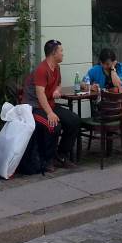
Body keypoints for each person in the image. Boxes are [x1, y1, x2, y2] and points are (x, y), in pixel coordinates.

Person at [23, 39, 80, 169]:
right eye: (61, 51)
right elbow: (40, 94)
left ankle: (61, 155)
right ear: (54, 53)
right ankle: (48, 160)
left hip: (49, 104)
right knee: (54, 125)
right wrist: (50, 113)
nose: (63, 53)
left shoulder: (57, 67)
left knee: (74, 120)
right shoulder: (42, 69)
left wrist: (57, 90)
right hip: (35, 107)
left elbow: (59, 84)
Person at [85, 48, 122, 156]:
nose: (107, 66)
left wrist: (112, 69)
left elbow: (117, 84)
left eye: (110, 63)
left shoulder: (120, 67)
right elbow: (83, 82)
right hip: (107, 105)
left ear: (114, 62)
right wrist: (91, 86)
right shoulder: (96, 70)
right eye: (105, 64)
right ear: (101, 63)